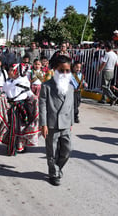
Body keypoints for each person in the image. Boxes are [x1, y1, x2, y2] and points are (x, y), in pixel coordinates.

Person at [39, 55, 74, 186]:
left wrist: (71, 123)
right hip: (52, 124)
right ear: (55, 69)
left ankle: (58, 168)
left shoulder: (70, 87)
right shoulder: (46, 86)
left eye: (67, 70)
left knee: (67, 150)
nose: (65, 73)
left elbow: (71, 106)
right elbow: (42, 106)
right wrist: (43, 124)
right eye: (61, 70)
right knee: (52, 152)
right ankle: (53, 173)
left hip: (65, 124)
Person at [1, 63, 39, 155]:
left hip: (22, 108)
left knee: (21, 128)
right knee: (12, 128)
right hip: (11, 108)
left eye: (11, 70)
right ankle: (12, 145)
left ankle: (20, 145)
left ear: (17, 72)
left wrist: (35, 99)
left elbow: (29, 93)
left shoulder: (22, 81)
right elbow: (5, 93)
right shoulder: (9, 82)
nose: (9, 72)